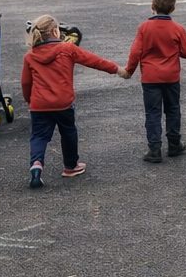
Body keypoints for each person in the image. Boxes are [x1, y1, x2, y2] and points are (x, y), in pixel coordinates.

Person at [20, 13, 125, 189]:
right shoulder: (67, 49)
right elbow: (94, 61)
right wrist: (117, 69)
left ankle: (36, 165)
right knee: (68, 132)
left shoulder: (30, 56)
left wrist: (28, 99)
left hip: (39, 105)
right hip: (63, 102)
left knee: (39, 136)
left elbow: (25, 82)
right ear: (55, 31)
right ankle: (70, 166)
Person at [125, 0, 186, 163]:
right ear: (173, 8)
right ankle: (174, 144)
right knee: (173, 110)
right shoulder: (178, 28)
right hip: (171, 77)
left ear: (152, 7)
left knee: (153, 113)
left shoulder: (144, 27)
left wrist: (129, 70)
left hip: (150, 78)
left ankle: (154, 149)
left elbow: (136, 52)